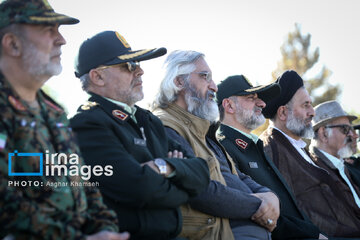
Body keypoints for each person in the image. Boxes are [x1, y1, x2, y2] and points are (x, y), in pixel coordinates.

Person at [0, 0, 129, 239]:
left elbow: (83, 185)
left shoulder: (53, 111)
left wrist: (105, 229)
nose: (62, 40)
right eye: (49, 31)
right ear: (13, 44)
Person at [70, 32, 210, 240]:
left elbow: (201, 174)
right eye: (129, 66)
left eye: (137, 64)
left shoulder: (147, 120)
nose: (140, 71)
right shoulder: (87, 124)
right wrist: (181, 185)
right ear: (97, 77)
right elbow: (139, 188)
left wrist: (165, 166)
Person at [153, 50, 280, 240]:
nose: (214, 86)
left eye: (212, 78)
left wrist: (269, 195)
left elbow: (236, 176)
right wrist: (258, 205)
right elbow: (199, 190)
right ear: (179, 82)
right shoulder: (166, 126)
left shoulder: (204, 129)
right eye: (205, 77)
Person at [216, 75, 325, 239]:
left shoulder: (253, 145)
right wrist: (313, 235)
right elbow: (256, 211)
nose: (262, 103)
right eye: (251, 98)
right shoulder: (224, 148)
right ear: (229, 106)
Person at [260, 70, 360, 237]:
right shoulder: (270, 148)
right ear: (283, 113)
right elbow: (282, 213)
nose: (312, 112)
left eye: (311, 105)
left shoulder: (299, 148)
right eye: (305, 105)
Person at [309, 101, 360, 210]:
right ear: (324, 133)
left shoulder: (343, 166)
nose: (352, 134)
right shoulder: (313, 170)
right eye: (345, 129)